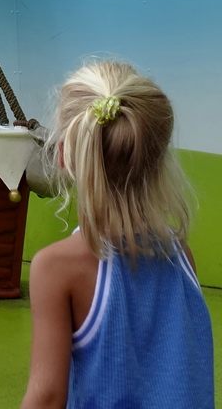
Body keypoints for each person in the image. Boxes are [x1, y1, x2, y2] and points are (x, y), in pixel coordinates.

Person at [20, 59, 214, 409]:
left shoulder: (56, 267)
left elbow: (47, 397)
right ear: (156, 157)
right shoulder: (181, 255)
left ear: (63, 154)